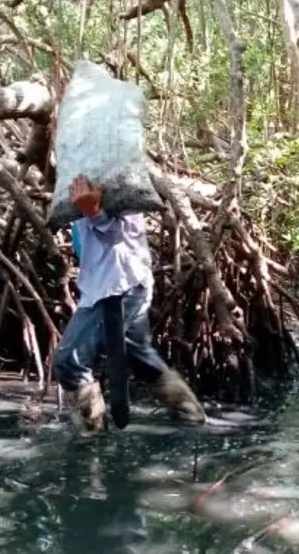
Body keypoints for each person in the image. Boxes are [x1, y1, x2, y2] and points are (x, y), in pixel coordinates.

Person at [54, 175, 206, 434]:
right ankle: (192, 418)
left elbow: (121, 234)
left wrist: (94, 213)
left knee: (69, 361)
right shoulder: (79, 163)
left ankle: (91, 442)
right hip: (119, 281)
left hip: (117, 287)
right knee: (139, 357)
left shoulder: (114, 166)